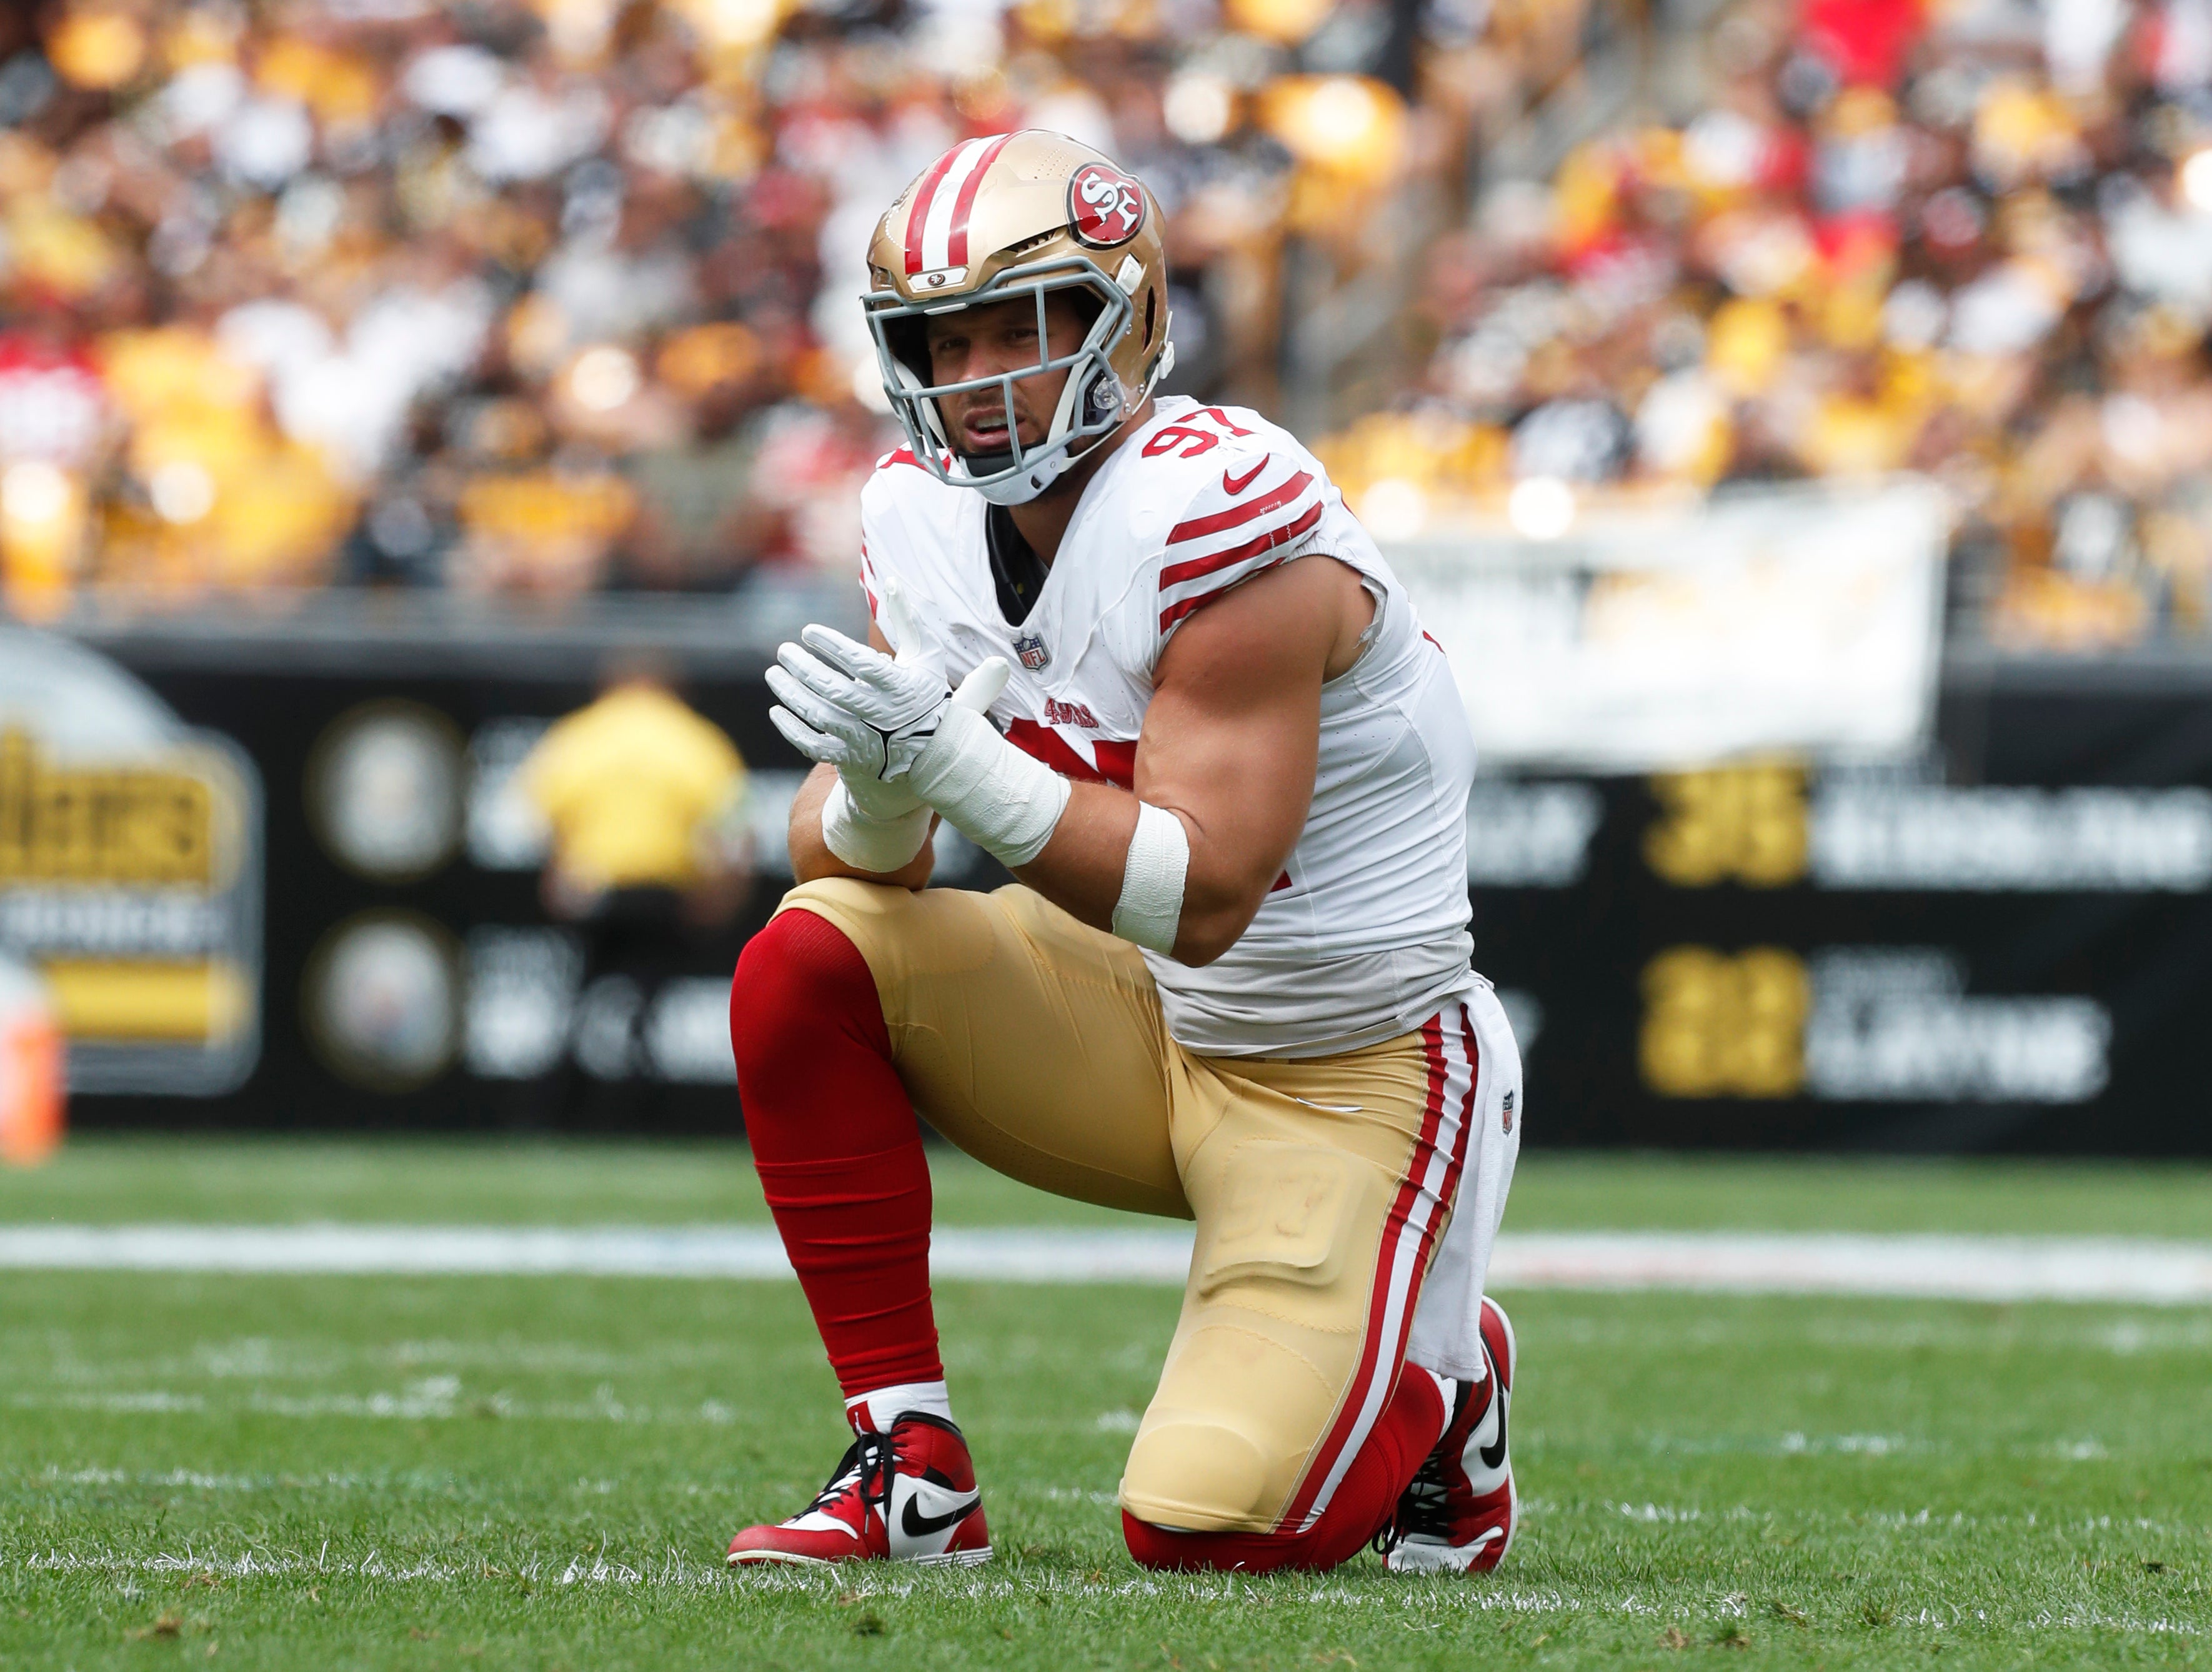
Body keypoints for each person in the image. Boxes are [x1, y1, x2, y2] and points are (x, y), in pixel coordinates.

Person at [727, 131, 1522, 1576]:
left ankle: (1447, 1372)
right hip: (1133, 1009)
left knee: (1203, 1531)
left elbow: (1207, 893)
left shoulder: (1220, 506)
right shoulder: (914, 513)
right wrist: (879, 787)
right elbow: (857, 866)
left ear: (1121, 318)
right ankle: (907, 1459)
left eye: (1011, 331)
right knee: (807, 953)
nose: (970, 377)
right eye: (937, 340)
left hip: (1346, 1059)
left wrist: (955, 762)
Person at [521, 662, 752, 1098]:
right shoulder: (692, 736)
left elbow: (544, 814)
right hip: (661, 894)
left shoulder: (582, 733)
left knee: (581, 994)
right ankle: (643, 1094)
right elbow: (732, 825)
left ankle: (564, 1097)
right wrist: (721, 893)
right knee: (650, 995)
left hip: (594, 891)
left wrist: (556, 877)